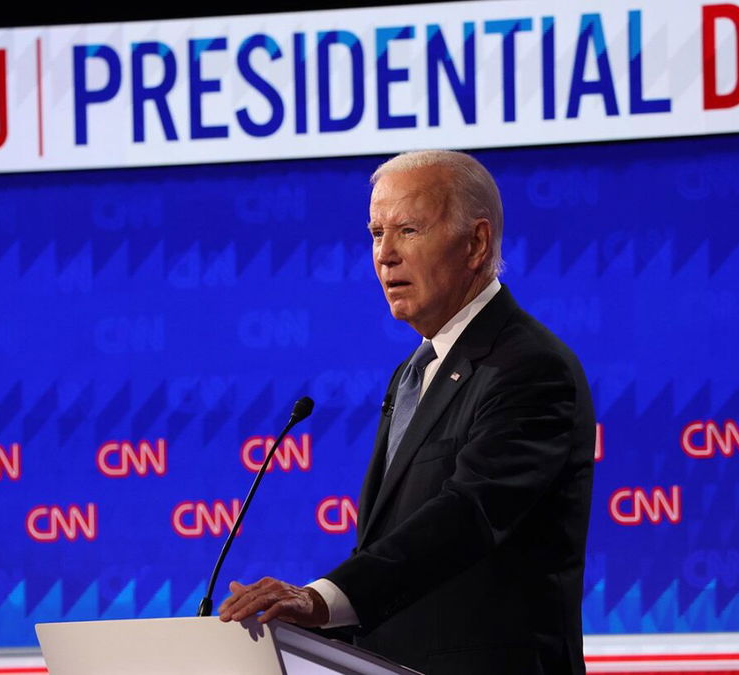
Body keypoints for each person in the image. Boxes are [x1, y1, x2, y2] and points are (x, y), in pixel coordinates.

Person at [219, 150, 595, 675]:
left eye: (409, 230)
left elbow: (468, 515)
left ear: (477, 242)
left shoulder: (529, 367)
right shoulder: (413, 373)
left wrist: (325, 599)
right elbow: (390, 540)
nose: (385, 254)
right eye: (376, 233)